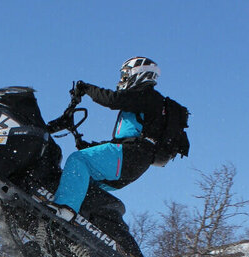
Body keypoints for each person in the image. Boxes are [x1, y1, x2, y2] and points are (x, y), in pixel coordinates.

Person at [46, 57, 169, 228]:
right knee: (79, 179)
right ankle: (83, 225)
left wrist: (86, 88)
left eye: (125, 75)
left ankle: (64, 211)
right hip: (134, 162)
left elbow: (113, 100)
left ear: (139, 74)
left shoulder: (147, 95)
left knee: (78, 159)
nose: (122, 80)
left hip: (130, 155)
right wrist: (91, 147)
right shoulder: (150, 103)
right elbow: (127, 139)